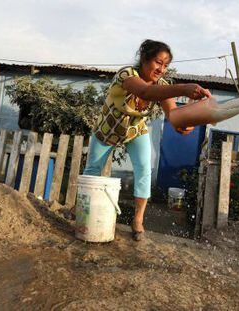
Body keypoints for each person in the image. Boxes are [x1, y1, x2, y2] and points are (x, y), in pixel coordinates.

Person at [84, 39, 211, 241]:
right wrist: (184, 88)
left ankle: (138, 220)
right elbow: (145, 92)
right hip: (108, 129)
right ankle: (82, 210)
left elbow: (173, 115)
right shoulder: (126, 75)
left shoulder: (162, 85)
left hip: (135, 131)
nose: (161, 69)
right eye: (158, 62)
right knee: (93, 169)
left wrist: (184, 123)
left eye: (165, 65)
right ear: (144, 59)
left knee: (144, 169)